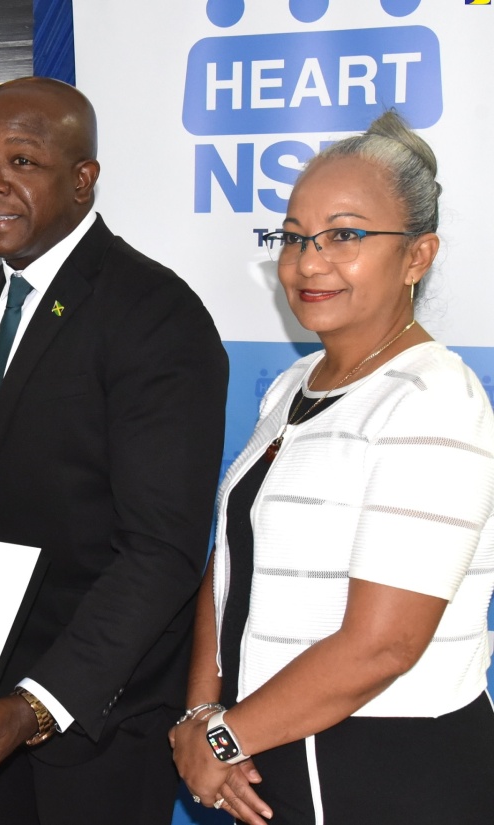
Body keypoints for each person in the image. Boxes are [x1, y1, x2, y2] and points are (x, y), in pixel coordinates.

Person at [0, 77, 229, 824]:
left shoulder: (155, 315)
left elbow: (160, 552)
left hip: (101, 712)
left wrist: (37, 704)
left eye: (21, 162)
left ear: (82, 179)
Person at [170, 111, 494, 825]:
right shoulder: (296, 384)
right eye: (293, 238)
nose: (308, 261)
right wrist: (201, 710)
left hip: (388, 772)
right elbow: (230, 563)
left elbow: (383, 643)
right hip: (270, 750)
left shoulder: (434, 398)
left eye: (344, 235)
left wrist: (221, 738)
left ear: (418, 255)